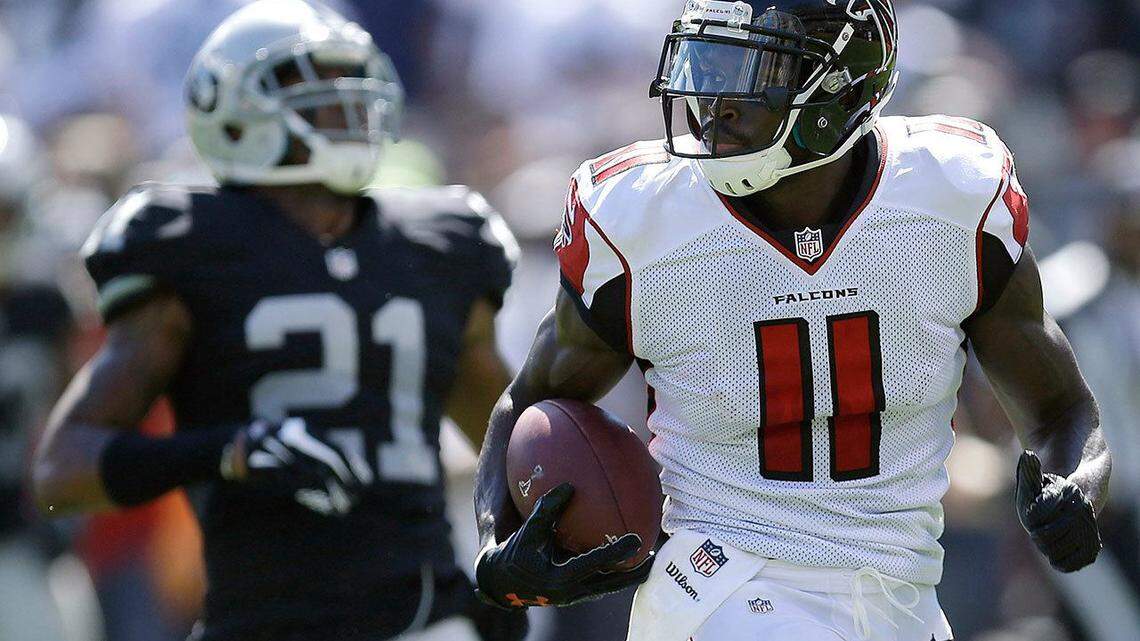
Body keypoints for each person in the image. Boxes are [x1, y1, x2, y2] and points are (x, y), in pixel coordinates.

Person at [472, 1, 1111, 640]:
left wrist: (1077, 491)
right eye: (706, 59)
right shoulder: (639, 219)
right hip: (721, 585)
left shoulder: (950, 194)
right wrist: (493, 546)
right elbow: (531, 399)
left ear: (840, 85)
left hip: (903, 596)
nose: (712, 99)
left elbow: (1061, 411)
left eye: (748, 68)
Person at [33, 2, 525, 641]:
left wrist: (509, 569)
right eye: (312, 82)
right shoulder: (186, 244)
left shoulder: (440, 244)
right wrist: (227, 453)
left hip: (424, 616)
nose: (346, 102)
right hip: (261, 619)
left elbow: (513, 450)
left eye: (351, 81)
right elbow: (61, 473)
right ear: (233, 112)